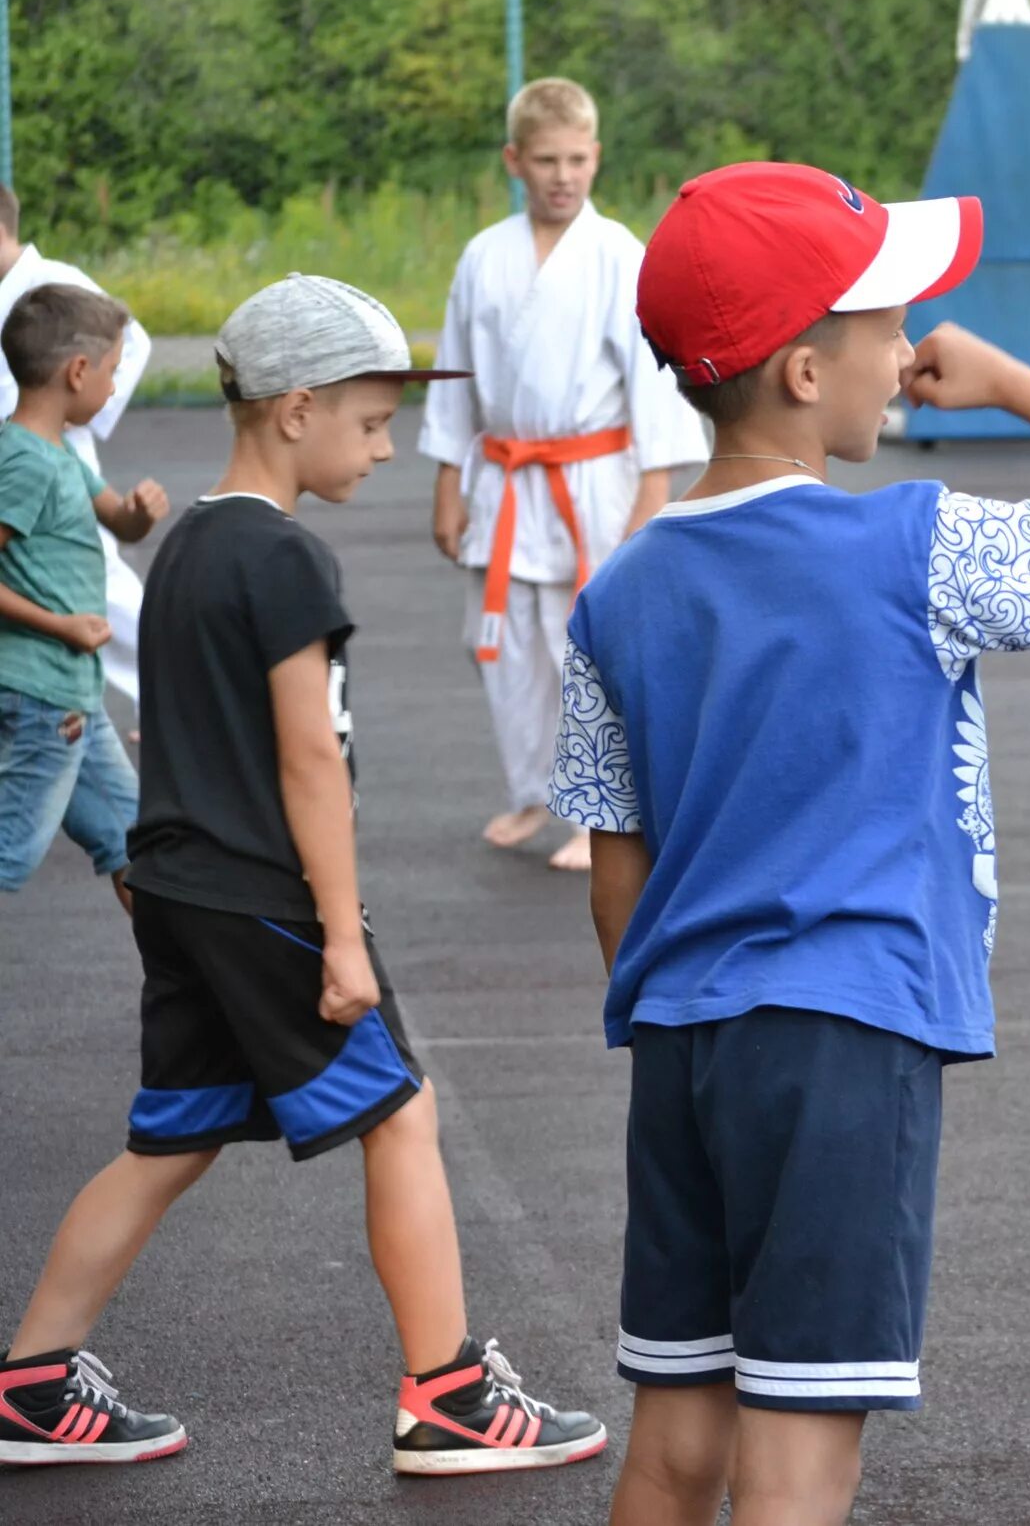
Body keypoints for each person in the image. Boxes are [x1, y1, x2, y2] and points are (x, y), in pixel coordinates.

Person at [547, 162, 1030, 1526]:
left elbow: (616, 865)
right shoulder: (917, 543)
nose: (909, 346)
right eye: (887, 321)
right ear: (806, 370)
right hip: (845, 1036)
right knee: (803, 1458)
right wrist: (1026, 387)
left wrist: (684, 990)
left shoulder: (617, 591)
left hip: (684, 1035)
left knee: (678, 1441)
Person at [0, 276, 604, 1475]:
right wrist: (338, 932)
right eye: (370, 422)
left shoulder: (186, 548)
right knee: (405, 1113)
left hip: (178, 885)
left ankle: (30, 1383)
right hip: (260, 896)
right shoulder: (284, 562)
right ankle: (448, 1394)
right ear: (294, 408)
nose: (383, 448)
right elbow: (309, 763)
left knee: (171, 1140)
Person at [421, 76, 706, 873]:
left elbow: (655, 379)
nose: (562, 175)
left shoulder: (619, 254)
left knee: (586, 650)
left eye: (577, 158)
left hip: (594, 481)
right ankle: (529, 790)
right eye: (545, 159)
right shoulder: (485, 256)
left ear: (597, 157)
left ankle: (600, 812)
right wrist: (448, 478)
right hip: (507, 480)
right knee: (508, 648)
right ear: (514, 159)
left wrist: (653, 492)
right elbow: (456, 372)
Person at [0, 285, 160, 898]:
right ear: (78, 372)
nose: (114, 387)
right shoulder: (28, 464)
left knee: (133, 839)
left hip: (74, 698)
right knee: (10, 853)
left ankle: (179, 988)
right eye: (113, 372)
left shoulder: (59, 453)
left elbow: (118, 518)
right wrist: (60, 625)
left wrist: (141, 513)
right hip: (43, 697)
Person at [0, 184, 156, 706]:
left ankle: (179, 703)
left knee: (98, 588)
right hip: (23, 456)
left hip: (50, 452)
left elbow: (130, 342)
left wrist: (77, 413)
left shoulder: (53, 282)